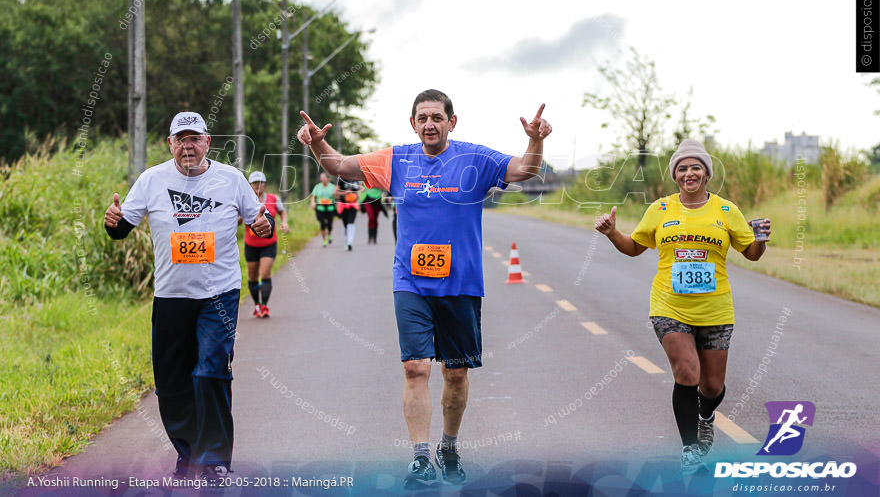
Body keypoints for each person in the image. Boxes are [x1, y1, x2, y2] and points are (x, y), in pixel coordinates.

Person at [297, 89, 551, 489]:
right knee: (415, 367)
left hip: (461, 283)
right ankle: (419, 458)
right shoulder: (397, 158)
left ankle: (448, 447)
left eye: (436, 117)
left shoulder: (475, 159)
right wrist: (317, 143)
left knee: (455, 373)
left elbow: (523, 169)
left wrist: (535, 139)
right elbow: (342, 167)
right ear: (412, 124)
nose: (429, 124)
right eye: (422, 118)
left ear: (452, 121)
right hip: (411, 280)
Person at [104, 112, 274, 485]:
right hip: (171, 297)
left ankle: (214, 459)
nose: (187, 146)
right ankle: (188, 453)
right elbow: (121, 228)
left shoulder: (230, 179)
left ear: (207, 142)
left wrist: (265, 225)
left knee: (211, 370)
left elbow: (260, 222)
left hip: (219, 295)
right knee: (173, 381)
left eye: (194, 139)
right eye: (180, 139)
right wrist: (112, 220)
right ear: (170, 144)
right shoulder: (152, 180)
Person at [594, 139, 770, 475]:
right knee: (687, 371)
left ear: (706, 175)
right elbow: (634, 247)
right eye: (682, 168)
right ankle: (691, 447)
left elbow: (751, 253)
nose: (689, 173)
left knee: (712, 386)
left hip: (715, 308)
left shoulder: (726, 210)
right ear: (676, 176)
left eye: (695, 167)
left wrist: (760, 240)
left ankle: (705, 415)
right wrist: (612, 233)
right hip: (668, 305)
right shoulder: (660, 210)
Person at [244, 171, 289, 318]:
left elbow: (282, 212)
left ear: (264, 184)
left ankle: (264, 306)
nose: (258, 185)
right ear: (250, 185)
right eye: (255, 183)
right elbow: (238, 221)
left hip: (269, 243)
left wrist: (284, 223)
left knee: (264, 273)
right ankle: (257, 304)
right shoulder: (244, 200)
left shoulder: (274, 199)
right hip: (250, 244)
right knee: (252, 277)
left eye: (260, 183)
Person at [310, 172, 336, 247]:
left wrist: (335, 195)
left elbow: (336, 197)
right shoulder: (317, 187)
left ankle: (329, 235)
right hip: (320, 207)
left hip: (330, 207)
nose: (323, 179)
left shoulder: (332, 187)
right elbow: (313, 196)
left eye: (324, 178)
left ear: (328, 179)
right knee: (322, 224)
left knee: (329, 224)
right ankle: (324, 240)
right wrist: (313, 203)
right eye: (322, 178)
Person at [336, 176, 361, 251]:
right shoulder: (341, 179)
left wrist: (357, 194)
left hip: (353, 204)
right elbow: (336, 192)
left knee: (351, 222)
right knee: (345, 224)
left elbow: (360, 189)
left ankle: (350, 242)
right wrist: (345, 192)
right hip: (343, 205)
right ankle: (347, 239)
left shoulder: (356, 179)